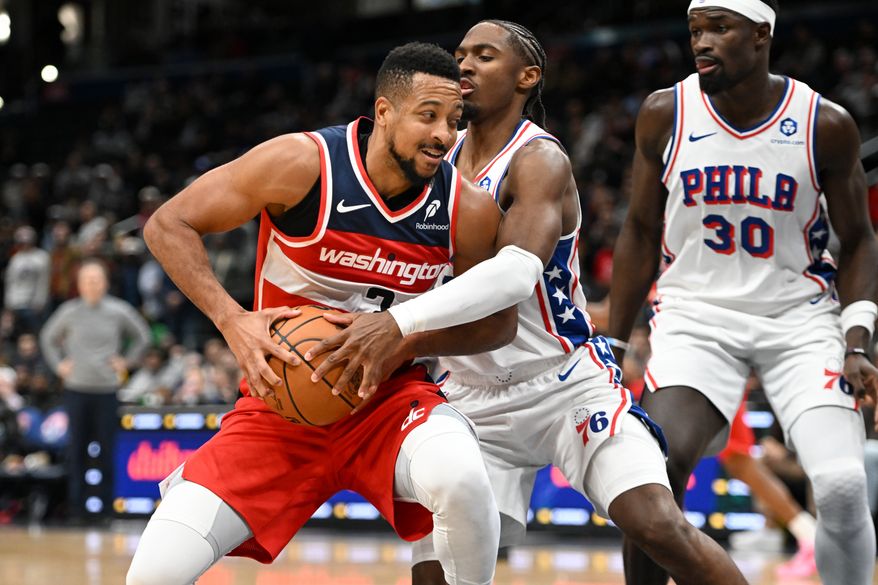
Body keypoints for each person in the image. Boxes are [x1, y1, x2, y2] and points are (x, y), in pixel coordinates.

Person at [309, 21, 747, 585]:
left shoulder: (538, 159)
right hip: (468, 394)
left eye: (484, 56)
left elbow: (513, 280)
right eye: (460, 54)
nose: (463, 65)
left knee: (657, 525)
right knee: (436, 574)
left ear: (527, 76)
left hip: (561, 381)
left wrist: (398, 326)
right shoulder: (432, 159)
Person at [126, 43, 517, 585]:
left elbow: (499, 322)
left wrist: (402, 342)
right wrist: (231, 319)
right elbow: (167, 224)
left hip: (390, 403)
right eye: (427, 116)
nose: (443, 136)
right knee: (152, 576)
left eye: (454, 121)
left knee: (464, 480)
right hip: (278, 407)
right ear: (384, 112)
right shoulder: (303, 163)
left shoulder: (466, 208)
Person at [608, 1, 878, 584]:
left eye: (718, 28)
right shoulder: (665, 113)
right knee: (650, 469)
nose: (701, 41)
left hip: (800, 318)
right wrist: (609, 339)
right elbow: (637, 229)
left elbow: (858, 240)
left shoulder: (823, 123)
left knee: (842, 483)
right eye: (694, 30)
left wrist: (858, 339)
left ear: (761, 36)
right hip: (696, 316)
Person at [40, 258, 151, 522]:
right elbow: (47, 338)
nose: (92, 284)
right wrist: (59, 366)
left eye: (96, 279)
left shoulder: (118, 310)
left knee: (107, 451)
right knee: (76, 451)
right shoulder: (68, 311)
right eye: (87, 280)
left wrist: (126, 361)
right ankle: (76, 510)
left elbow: (143, 336)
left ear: (105, 283)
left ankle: (106, 511)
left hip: (106, 390)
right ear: (79, 284)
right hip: (76, 389)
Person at [717, 397, 817, 578]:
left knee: (738, 460)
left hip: (805, 464)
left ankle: (807, 535)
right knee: (745, 461)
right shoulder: (784, 404)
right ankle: (791, 532)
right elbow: (771, 439)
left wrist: (786, 454)